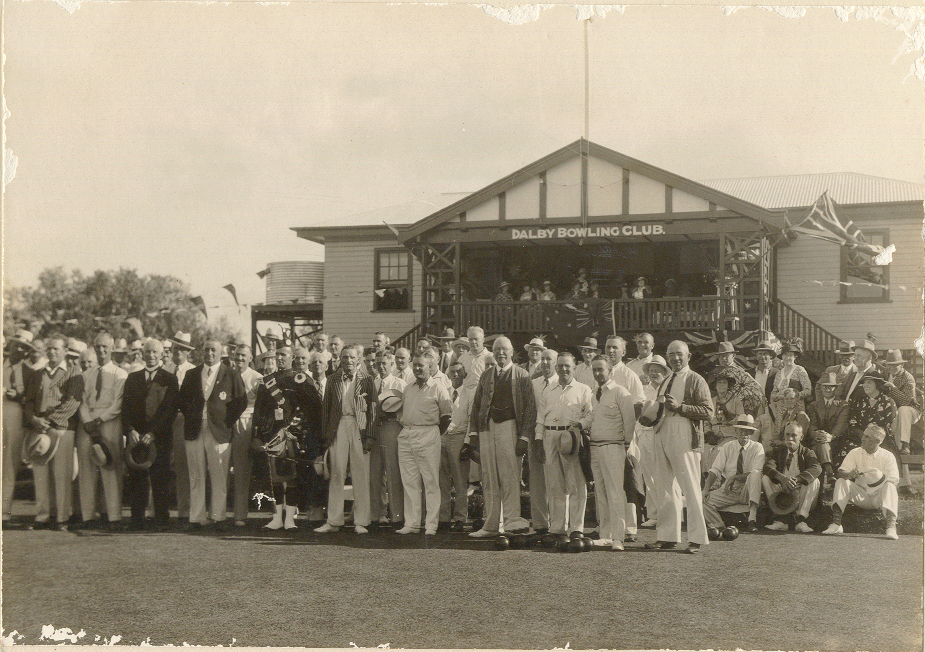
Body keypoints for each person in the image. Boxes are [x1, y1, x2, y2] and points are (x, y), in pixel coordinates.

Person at [646, 340, 713, 554]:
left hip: (684, 431)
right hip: (662, 430)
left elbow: (708, 412)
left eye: (679, 354)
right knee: (665, 486)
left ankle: (696, 538)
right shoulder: (666, 379)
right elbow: (661, 407)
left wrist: (681, 407)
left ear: (688, 356)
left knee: (690, 486)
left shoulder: (696, 379)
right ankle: (667, 536)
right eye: (671, 354)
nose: (675, 358)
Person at [467, 336, 536, 538]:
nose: (501, 353)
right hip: (487, 428)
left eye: (504, 350)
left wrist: (524, 437)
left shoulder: (522, 375)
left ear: (512, 352)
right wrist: (473, 433)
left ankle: (512, 521)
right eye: (497, 350)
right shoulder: (486, 375)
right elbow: (477, 405)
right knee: (488, 477)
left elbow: (531, 408)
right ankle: (490, 524)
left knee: (509, 476)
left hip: (510, 427)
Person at [178, 340, 248, 531]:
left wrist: (225, 421)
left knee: (219, 474)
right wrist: (194, 416)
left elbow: (240, 403)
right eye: (206, 350)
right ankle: (196, 517)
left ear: (221, 353)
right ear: (202, 352)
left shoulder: (231, 374)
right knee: (196, 474)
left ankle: (218, 516)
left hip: (220, 430)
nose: (209, 353)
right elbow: (182, 401)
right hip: (194, 429)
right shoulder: (192, 374)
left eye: (213, 350)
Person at [253, 346, 323, 531]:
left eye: (283, 355)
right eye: (277, 355)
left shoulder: (300, 379)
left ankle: (290, 519)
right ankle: (276, 518)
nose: (279, 358)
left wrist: (300, 431)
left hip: (295, 435)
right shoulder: (267, 381)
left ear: (292, 357)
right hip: (272, 435)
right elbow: (259, 411)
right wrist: (258, 435)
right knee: (275, 478)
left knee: (292, 477)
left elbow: (313, 408)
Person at [22, 337, 84, 530]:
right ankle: (42, 517)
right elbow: (29, 401)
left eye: (56, 349)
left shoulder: (74, 373)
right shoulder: (37, 374)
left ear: (65, 351)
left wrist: (50, 422)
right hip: (39, 428)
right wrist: (33, 419)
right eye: (49, 348)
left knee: (62, 474)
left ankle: (62, 518)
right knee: (40, 474)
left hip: (61, 429)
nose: (51, 352)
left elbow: (72, 403)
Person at [315, 345, 378, 534]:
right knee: (337, 472)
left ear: (358, 360)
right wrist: (327, 435)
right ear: (340, 360)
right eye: (344, 358)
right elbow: (326, 409)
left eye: (351, 358)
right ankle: (334, 520)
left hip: (360, 428)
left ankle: (361, 521)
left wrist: (370, 436)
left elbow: (373, 410)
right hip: (339, 426)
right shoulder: (333, 379)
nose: (348, 361)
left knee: (360, 473)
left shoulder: (367, 380)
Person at [122, 338, 179, 531]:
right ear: (142, 354)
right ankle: (137, 520)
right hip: (136, 437)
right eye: (148, 352)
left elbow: (169, 409)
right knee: (137, 477)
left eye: (155, 352)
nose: (151, 356)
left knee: (160, 477)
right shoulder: (133, 378)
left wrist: (154, 433)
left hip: (159, 437)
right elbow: (126, 408)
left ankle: (162, 520)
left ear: (162, 354)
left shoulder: (170, 378)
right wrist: (130, 430)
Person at [534, 351, 590, 542]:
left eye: (567, 366)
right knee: (555, 484)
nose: (563, 369)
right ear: (556, 368)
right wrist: (538, 441)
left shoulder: (583, 389)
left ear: (574, 368)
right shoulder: (548, 391)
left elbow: (589, 415)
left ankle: (576, 528)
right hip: (550, 436)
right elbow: (540, 418)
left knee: (576, 484)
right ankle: (557, 527)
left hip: (571, 438)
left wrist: (579, 426)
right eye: (560, 366)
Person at [395, 350, 452, 535]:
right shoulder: (408, 388)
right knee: (409, 481)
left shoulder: (438, 387)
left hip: (429, 434)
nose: (418, 368)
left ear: (430, 366)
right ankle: (412, 523)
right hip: (407, 434)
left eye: (422, 365)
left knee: (430, 481)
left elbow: (447, 416)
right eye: (416, 365)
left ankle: (431, 525)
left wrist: (433, 434)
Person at [76, 332, 128, 530]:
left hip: (109, 422)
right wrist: (88, 421)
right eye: (98, 347)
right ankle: (88, 516)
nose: (101, 350)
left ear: (112, 348)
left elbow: (117, 403)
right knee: (86, 468)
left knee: (110, 466)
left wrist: (99, 419)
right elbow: (81, 401)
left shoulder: (120, 374)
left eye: (105, 347)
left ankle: (113, 516)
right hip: (87, 423)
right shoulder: (86, 374)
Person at [587, 355, 638, 551]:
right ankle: (605, 535)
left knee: (616, 492)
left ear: (610, 371)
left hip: (614, 447)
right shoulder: (594, 394)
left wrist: (624, 446)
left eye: (601, 369)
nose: (598, 373)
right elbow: (592, 418)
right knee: (601, 492)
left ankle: (618, 537)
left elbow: (630, 422)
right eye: (595, 370)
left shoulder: (620, 392)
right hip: (596, 448)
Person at [823, 424, 900, 539]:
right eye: (863, 435)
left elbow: (894, 480)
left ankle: (891, 527)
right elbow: (841, 472)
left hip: (880, 497)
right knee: (841, 481)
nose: (862, 438)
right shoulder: (855, 452)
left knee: (890, 486)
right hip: (861, 496)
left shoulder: (888, 456)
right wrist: (849, 475)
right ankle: (836, 524)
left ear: (877, 441)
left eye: (867, 436)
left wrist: (877, 481)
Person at [634, 355, 681, 529]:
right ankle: (654, 514)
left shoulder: (668, 391)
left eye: (657, 370)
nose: (654, 374)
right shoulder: (643, 391)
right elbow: (639, 415)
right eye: (651, 371)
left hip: (662, 435)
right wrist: (639, 434)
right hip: (644, 436)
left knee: (667, 476)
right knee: (648, 476)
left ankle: (671, 513)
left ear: (664, 372)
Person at [702, 414, 765, 534]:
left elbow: (757, 471)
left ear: (751, 433)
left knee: (756, 474)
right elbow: (715, 470)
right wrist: (705, 490)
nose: (744, 434)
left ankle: (752, 519)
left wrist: (735, 477)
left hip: (747, 489)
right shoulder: (727, 447)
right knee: (702, 500)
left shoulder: (757, 447)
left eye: (748, 431)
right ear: (736, 431)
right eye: (741, 430)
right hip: (729, 489)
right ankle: (719, 527)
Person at [3, 330, 38, 527]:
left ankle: (4, 513)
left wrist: (18, 396)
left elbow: (31, 400)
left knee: (9, 465)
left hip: (15, 416)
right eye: (17, 344)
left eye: (24, 348)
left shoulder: (29, 372)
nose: (19, 349)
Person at [762, 423, 822, 533]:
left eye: (793, 435)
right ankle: (780, 520)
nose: (790, 438)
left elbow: (816, 468)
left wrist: (797, 479)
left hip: (800, 493)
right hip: (783, 491)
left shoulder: (807, 452)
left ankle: (801, 520)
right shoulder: (778, 451)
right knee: (766, 478)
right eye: (787, 435)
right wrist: (782, 478)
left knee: (815, 481)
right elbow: (767, 466)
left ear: (801, 437)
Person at [230, 345, 263, 527]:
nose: (240, 358)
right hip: (225, 424)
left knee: (242, 470)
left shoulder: (256, 377)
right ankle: (217, 512)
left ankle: (240, 515)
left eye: (243, 355)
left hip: (246, 422)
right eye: (237, 355)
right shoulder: (227, 373)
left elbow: (260, 406)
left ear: (250, 357)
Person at [881, 349, 921, 496]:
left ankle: (906, 444)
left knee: (903, 410)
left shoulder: (908, 377)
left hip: (911, 412)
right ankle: (904, 483)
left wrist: (892, 388)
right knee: (894, 444)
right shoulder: (886, 375)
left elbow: (908, 401)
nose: (892, 368)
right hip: (895, 414)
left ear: (901, 365)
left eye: (895, 365)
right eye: (889, 365)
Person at [374, 350, 406, 527]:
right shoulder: (373, 382)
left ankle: (397, 516)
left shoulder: (399, 383)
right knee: (376, 473)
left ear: (392, 365)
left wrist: (393, 415)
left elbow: (405, 408)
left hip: (392, 427)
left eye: (384, 363)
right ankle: (379, 513)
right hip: (376, 429)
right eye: (378, 363)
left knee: (393, 472)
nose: (380, 366)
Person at [528, 347, 557, 535]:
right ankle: (539, 523)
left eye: (549, 359)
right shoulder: (534, 384)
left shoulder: (562, 383)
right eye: (543, 359)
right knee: (537, 480)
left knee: (556, 481)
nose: (545, 363)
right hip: (535, 436)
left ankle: (558, 522)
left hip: (555, 435)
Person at [839, 371, 897, 466]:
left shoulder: (888, 402)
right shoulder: (859, 401)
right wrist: (863, 436)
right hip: (859, 437)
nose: (865, 385)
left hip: (880, 439)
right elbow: (853, 423)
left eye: (869, 382)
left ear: (877, 384)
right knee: (848, 448)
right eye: (864, 383)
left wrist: (872, 437)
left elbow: (889, 426)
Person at [168, 331, 196, 524]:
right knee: (160, 464)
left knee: (183, 467)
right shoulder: (164, 369)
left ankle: (184, 511)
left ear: (188, 352)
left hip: (181, 420)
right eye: (176, 348)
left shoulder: (193, 371)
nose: (178, 352)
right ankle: (156, 511)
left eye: (182, 349)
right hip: (163, 422)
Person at [439, 361, 471, 532]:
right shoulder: (445, 392)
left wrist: (467, 442)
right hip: (443, 436)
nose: (456, 375)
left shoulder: (469, 393)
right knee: (442, 479)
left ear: (464, 373)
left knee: (459, 480)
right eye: (453, 372)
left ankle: (460, 517)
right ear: (448, 374)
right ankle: (443, 517)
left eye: (459, 371)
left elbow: (471, 420)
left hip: (459, 436)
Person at [806, 372, 846, 485]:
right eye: (825, 386)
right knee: (820, 444)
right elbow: (812, 424)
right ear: (821, 388)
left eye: (831, 387)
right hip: (818, 440)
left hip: (836, 441)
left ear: (835, 388)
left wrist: (831, 436)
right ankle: (829, 473)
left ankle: (822, 486)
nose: (827, 389)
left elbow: (841, 424)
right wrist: (816, 433)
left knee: (820, 445)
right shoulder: (813, 405)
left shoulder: (843, 405)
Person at [703, 369, 746, 473]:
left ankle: (718, 481)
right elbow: (706, 421)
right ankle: (706, 477)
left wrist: (727, 413)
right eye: (719, 383)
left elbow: (741, 420)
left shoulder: (735, 400)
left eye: (724, 383)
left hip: (730, 435)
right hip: (714, 435)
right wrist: (708, 433)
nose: (721, 385)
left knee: (720, 451)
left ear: (728, 385)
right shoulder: (710, 401)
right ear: (715, 386)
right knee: (705, 451)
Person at [713, 341, 766, 418]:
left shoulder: (739, 372)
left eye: (726, 355)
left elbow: (753, 390)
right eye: (721, 356)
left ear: (733, 356)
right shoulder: (722, 371)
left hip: (738, 408)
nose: (724, 358)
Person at [604, 336, 646, 404]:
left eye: (615, 347)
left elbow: (639, 402)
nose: (610, 350)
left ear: (623, 353)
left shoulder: (629, 375)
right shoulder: (597, 373)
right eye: (608, 347)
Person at [839, 338, 878, 404]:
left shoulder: (874, 376)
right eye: (855, 355)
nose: (855, 359)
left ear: (869, 358)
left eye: (859, 356)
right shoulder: (853, 374)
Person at [458, 327, 494, 395]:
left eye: (476, 339)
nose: (473, 342)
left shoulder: (490, 357)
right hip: (465, 394)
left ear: (483, 340)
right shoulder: (462, 358)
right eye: (471, 339)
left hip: (483, 393)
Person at [752, 340, 779, 410]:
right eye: (760, 353)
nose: (762, 356)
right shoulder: (750, 373)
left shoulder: (776, 373)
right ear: (757, 356)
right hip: (753, 408)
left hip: (770, 409)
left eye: (765, 354)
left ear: (771, 356)